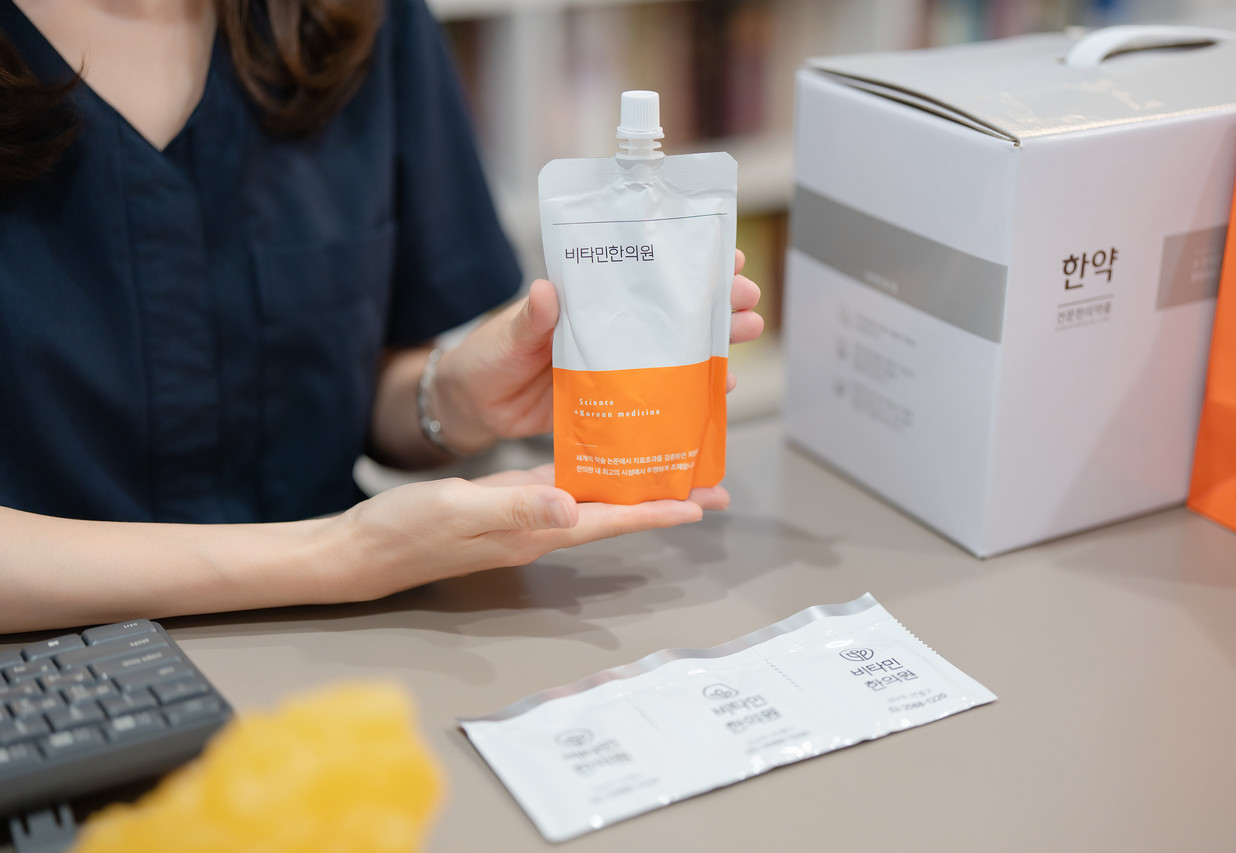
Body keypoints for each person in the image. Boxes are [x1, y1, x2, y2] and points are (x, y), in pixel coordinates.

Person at [0, 0, 765, 634]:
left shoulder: (357, 18)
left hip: (356, 637)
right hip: (58, 669)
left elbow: (366, 391)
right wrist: (342, 554)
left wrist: (451, 397)